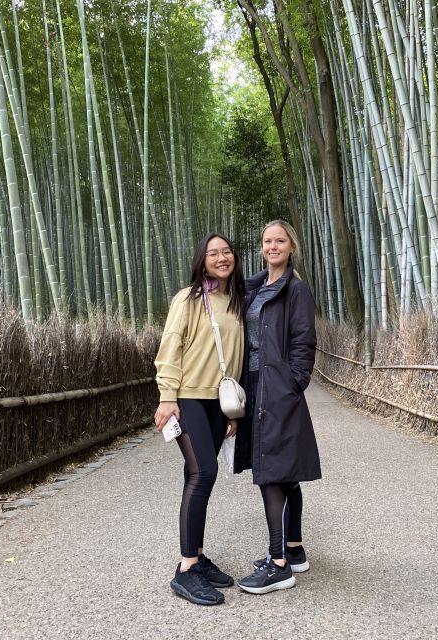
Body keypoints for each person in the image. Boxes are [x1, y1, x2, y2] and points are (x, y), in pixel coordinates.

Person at [153, 233, 245, 606]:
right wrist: (167, 395)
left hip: (216, 402)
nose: (221, 258)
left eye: (226, 252)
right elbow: (171, 345)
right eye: (213, 253)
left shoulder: (237, 300)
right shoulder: (190, 299)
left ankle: (197, 554)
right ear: (201, 260)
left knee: (200, 475)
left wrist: (231, 410)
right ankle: (187, 568)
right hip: (188, 396)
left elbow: (236, 357)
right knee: (202, 472)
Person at [234, 220, 321, 595]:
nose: (273, 246)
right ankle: (294, 549)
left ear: (291, 247)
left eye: (280, 241)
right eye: (268, 241)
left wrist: (292, 382)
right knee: (284, 473)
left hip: (277, 388)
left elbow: (304, 341)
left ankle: (278, 564)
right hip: (255, 386)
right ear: (262, 247)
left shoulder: (295, 290)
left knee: (272, 472)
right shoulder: (254, 287)